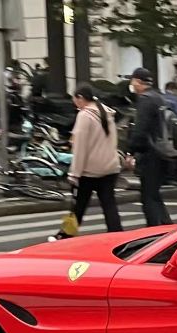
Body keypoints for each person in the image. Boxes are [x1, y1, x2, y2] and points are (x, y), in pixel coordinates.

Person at [49, 84, 123, 240]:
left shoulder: (84, 116)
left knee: (78, 205)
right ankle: (117, 235)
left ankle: (65, 235)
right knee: (109, 205)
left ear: (80, 98)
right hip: (110, 167)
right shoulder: (106, 113)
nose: (74, 103)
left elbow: (80, 147)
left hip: (90, 170)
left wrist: (74, 173)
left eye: (74, 99)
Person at [127, 67, 172, 226]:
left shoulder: (145, 100)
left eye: (132, 80)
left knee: (148, 196)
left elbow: (140, 130)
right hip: (164, 150)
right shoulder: (159, 98)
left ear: (138, 82)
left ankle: (154, 231)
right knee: (154, 194)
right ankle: (167, 227)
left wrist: (131, 151)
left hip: (151, 153)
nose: (131, 84)